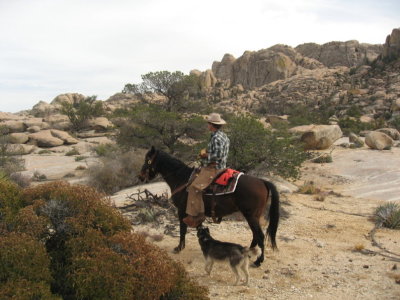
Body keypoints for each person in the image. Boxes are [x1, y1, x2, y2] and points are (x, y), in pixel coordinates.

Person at [183, 113, 230, 228]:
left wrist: (204, 156)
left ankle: (197, 215)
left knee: (194, 188)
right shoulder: (223, 136)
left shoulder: (216, 138)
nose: (207, 125)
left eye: (208, 123)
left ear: (212, 125)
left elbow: (217, 156)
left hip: (214, 168)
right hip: (221, 166)